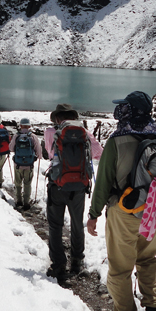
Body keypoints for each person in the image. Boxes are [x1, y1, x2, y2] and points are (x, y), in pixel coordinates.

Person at [86, 91, 156, 311]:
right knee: (147, 259)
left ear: (129, 111)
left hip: (123, 213)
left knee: (120, 268)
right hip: (154, 213)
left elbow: (102, 182)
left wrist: (93, 214)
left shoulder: (117, 141)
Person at [44, 103, 96, 282]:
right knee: (76, 223)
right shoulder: (85, 133)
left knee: (55, 224)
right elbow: (98, 153)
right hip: (79, 186)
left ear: (57, 117)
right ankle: (76, 261)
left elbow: (49, 154)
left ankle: (58, 264)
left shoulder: (51, 132)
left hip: (57, 184)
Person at [8, 118, 43, 211]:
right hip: (29, 164)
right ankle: (26, 202)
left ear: (20, 126)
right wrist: (39, 157)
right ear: (29, 126)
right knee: (27, 183)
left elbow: (11, 148)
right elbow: (38, 150)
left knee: (18, 183)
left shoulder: (16, 135)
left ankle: (19, 201)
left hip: (18, 164)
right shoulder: (33, 136)